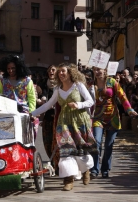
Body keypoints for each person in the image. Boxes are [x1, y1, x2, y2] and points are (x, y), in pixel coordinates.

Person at [31, 63, 97, 191]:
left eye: (63, 71)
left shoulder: (78, 86)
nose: (61, 74)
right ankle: (68, 180)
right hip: (64, 122)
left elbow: (90, 101)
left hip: (79, 121)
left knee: (80, 148)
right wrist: (31, 114)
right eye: (59, 72)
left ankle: (85, 170)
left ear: (70, 72)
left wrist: (78, 104)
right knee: (65, 149)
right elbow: (48, 105)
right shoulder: (57, 89)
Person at [90, 67, 138, 179]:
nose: (97, 72)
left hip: (112, 117)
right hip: (97, 117)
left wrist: (129, 110)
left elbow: (122, 96)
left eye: (99, 70)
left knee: (108, 145)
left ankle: (105, 169)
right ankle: (94, 169)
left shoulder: (112, 82)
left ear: (105, 70)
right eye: (95, 70)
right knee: (96, 142)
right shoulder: (91, 84)